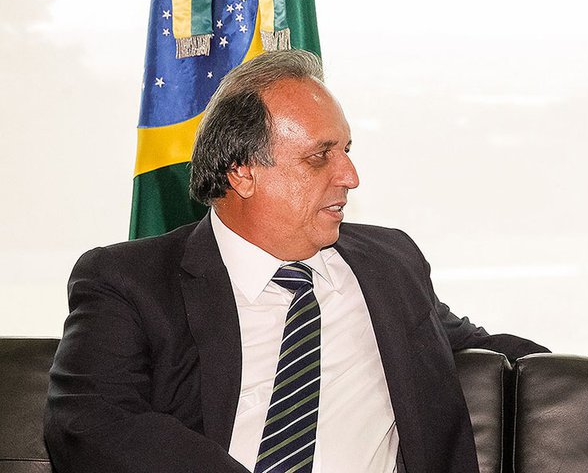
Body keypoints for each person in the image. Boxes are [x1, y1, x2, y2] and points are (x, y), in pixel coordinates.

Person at [45, 49, 548, 473]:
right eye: (319, 156)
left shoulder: (390, 264)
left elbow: (489, 348)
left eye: (347, 150)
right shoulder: (128, 281)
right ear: (242, 173)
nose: (350, 175)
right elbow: (89, 422)